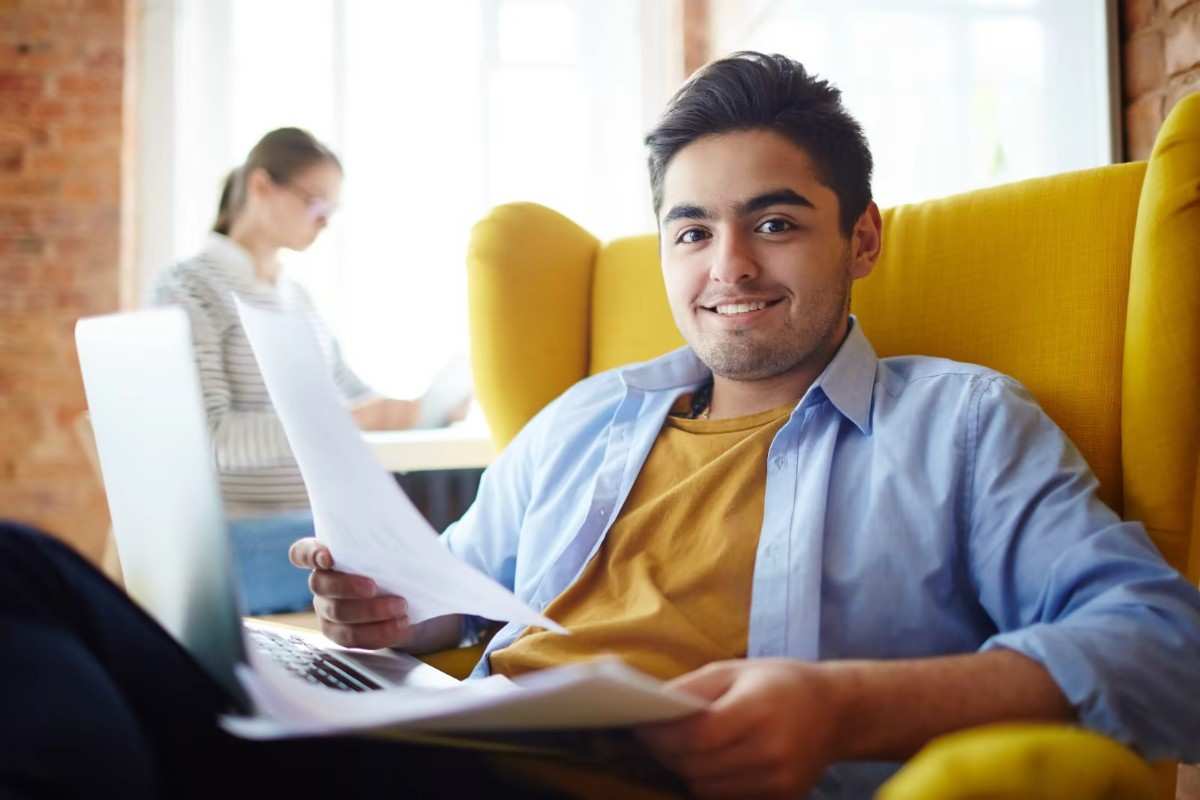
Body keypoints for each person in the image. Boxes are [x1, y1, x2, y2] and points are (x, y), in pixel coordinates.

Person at [1, 53, 1197, 800]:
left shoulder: (961, 426)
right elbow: (450, 591)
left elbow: (1166, 646)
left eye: (774, 222)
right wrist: (392, 609)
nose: (726, 266)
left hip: (581, 784)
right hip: (430, 747)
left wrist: (843, 706)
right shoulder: (590, 419)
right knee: (24, 576)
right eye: (691, 230)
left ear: (863, 238)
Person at [151, 128, 461, 614]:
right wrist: (346, 421)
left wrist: (422, 410)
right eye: (316, 204)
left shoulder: (296, 300)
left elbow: (352, 395)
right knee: (435, 561)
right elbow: (209, 438)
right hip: (240, 538)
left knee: (457, 506)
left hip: (313, 526)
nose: (324, 224)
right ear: (260, 187)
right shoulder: (188, 288)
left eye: (331, 212)